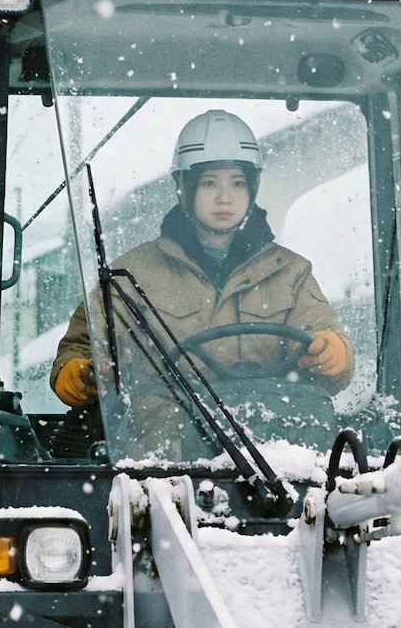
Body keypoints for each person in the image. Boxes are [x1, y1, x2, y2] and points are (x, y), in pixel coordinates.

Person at [50, 109, 354, 408]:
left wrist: (335, 354)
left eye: (237, 182)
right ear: (184, 187)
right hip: (162, 450)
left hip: (271, 449)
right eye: (210, 183)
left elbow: (324, 342)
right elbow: (84, 347)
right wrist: (75, 370)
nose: (225, 197)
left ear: (252, 188)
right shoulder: (132, 276)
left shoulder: (290, 273)